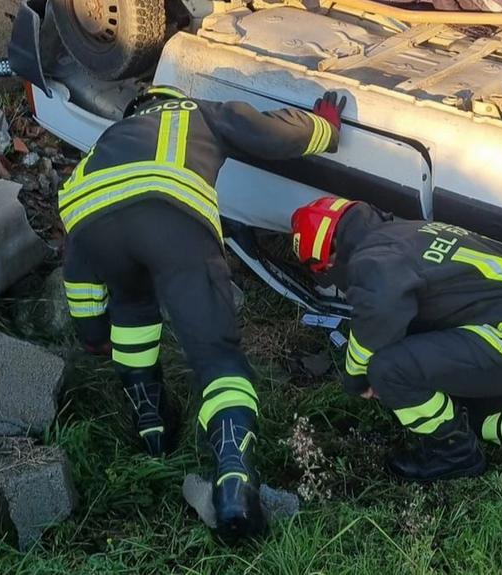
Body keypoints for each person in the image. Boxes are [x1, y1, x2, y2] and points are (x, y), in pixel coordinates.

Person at [60, 85, 345, 541]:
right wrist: (324, 129)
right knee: (216, 357)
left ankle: (152, 425)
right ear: (170, 99)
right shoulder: (196, 112)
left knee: (132, 305)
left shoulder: (105, 144)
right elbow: (267, 132)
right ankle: (233, 481)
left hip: (93, 228)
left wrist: (92, 330)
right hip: (170, 215)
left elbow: (77, 264)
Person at [289, 197, 502, 491]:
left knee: (388, 369)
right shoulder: (402, 234)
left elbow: (380, 314)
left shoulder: (372, 259)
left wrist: (357, 377)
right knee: (466, 415)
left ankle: (453, 454)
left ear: (328, 258)